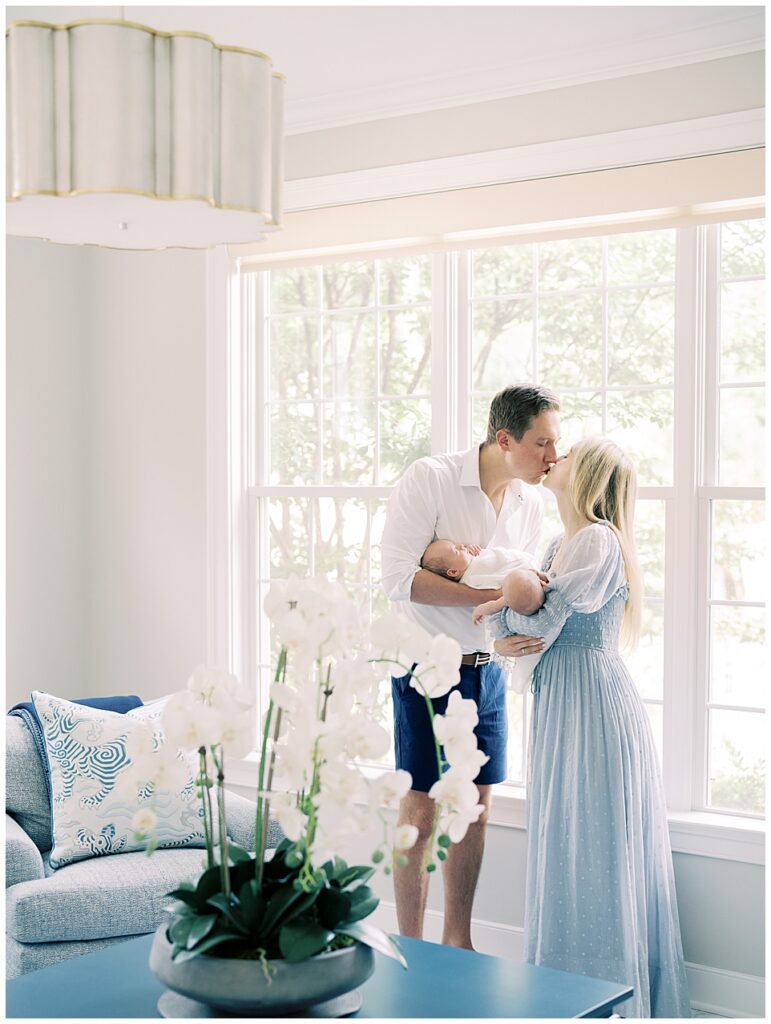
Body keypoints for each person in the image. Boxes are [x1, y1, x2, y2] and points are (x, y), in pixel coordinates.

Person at [485, 437, 690, 1017]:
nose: (555, 457)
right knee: (567, 839)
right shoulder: (559, 543)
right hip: (563, 700)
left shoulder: (597, 540)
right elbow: (518, 626)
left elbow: (539, 615)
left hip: (593, 706)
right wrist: (502, 619)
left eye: (567, 453)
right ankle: (563, 990)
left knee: (592, 845)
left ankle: (603, 997)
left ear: (588, 476)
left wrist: (501, 608)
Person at [380, 383, 560, 949]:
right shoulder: (429, 478)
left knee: (477, 807)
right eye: (542, 444)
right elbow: (401, 581)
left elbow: (523, 588)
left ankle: (459, 941)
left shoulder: (532, 505)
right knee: (423, 808)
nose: (553, 457)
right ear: (504, 439)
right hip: (424, 667)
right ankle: (410, 941)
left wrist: (502, 617)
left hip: (489, 670)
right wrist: (490, 599)